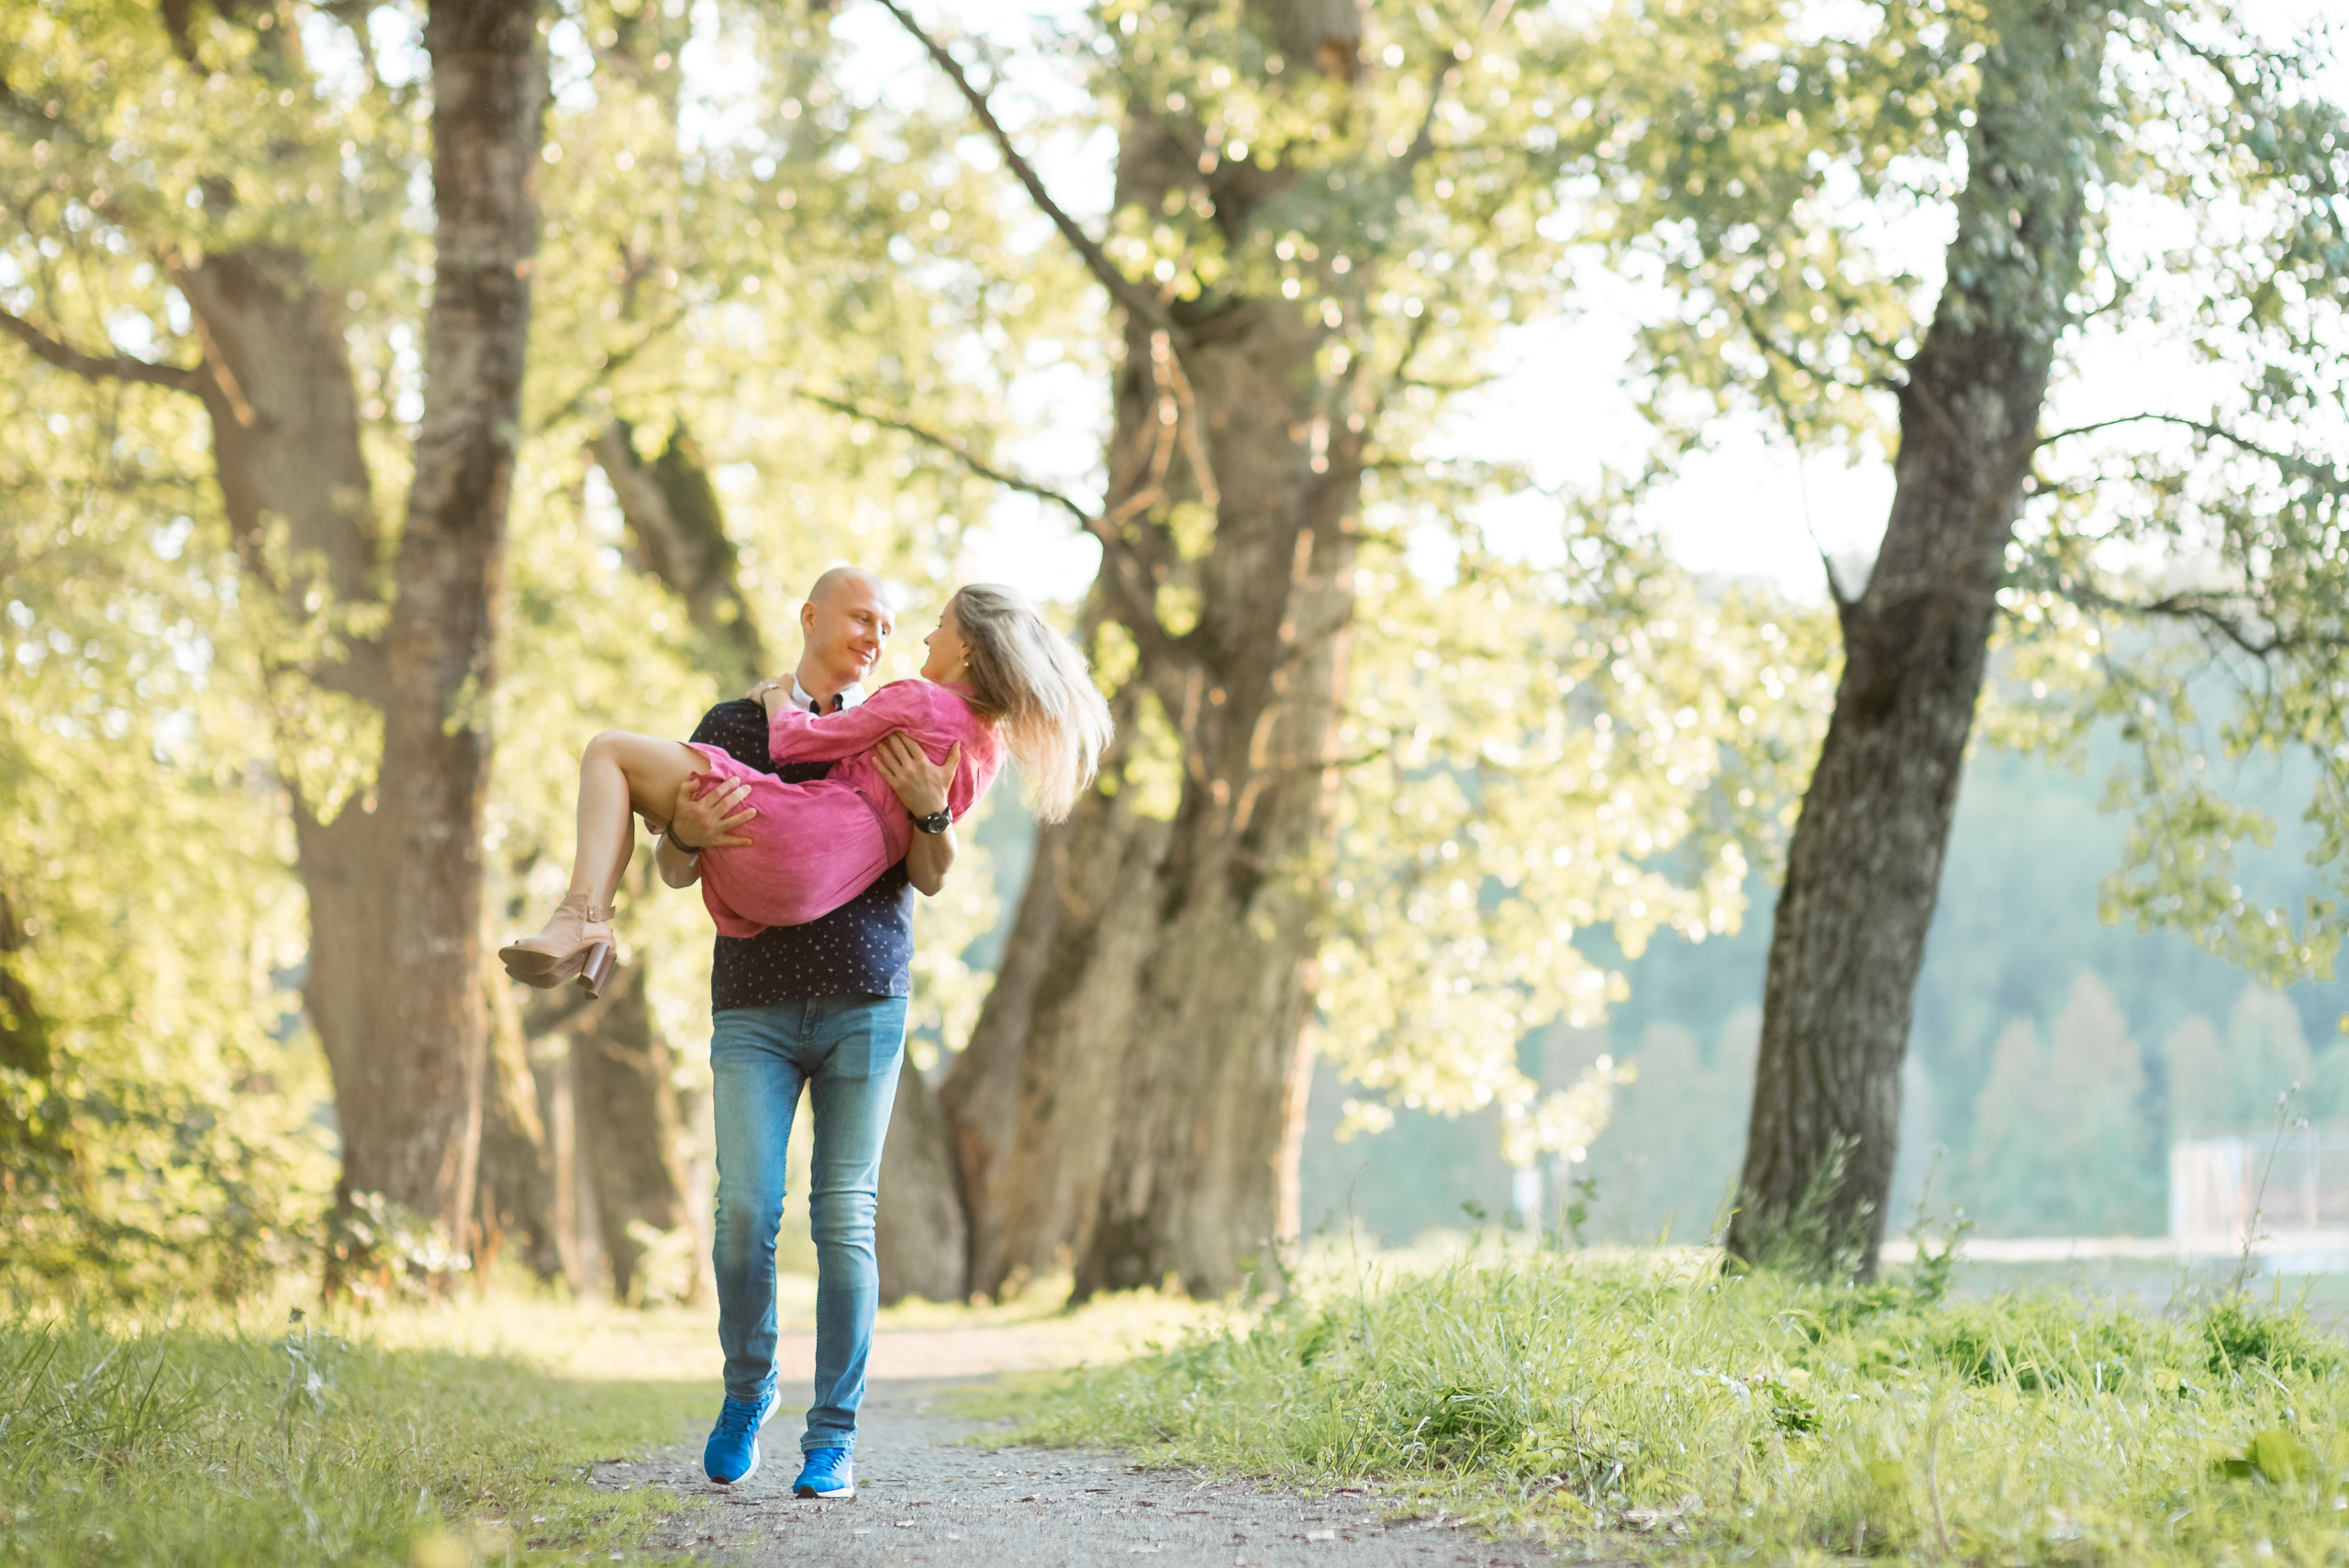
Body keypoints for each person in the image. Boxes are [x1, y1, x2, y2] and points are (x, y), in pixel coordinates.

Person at [498, 569, 1112, 1497]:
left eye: (899, 624)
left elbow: (932, 870)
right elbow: (671, 863)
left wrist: (929, 809)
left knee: (844, 1214)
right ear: (812, 618)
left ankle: (833, 1436)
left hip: (865, 992)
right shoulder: (737, 721)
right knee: (745, 1210)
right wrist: (691, 832)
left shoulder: (907, 715)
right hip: (754, 1001)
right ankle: (749, 1390)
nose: (883, 635)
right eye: (864, 618)